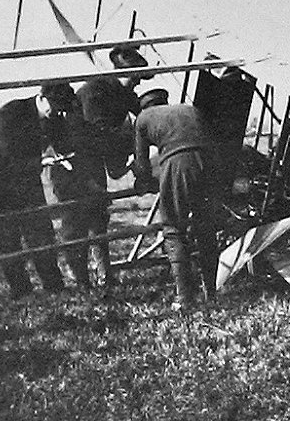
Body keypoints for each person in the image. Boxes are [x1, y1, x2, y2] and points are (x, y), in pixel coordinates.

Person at [52, 46, 150, 288]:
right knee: (77, 224)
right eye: (136, 78)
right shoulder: (96, 91)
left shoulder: (124, 93)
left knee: (98, 220)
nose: (137, 85)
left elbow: (143, 115)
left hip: (94, 163)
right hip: (74, 165)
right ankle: (81, 280)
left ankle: (104, 276)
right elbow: (99, 133)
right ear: (125, 74)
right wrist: (132, 142)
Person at [131, 102, 220, 309]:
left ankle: (184, 298)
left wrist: (147, 181)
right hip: (210, 160)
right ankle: (212, 293)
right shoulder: (189, 108)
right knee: (206, 227)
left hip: (179, 161)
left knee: (173, 228)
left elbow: (142, 165)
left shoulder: (143, 118)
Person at [0, 83, 71, 298]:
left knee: (42, 236)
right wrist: (41, 160)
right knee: (9, 241)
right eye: (54, 106)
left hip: (30, 184)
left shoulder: (52, 117)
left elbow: (63, 140)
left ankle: (54, 286)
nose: (57, 112)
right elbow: (7, 155)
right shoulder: (11, 113)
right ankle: (21, 291)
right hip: (2, 185)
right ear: (41, 97)